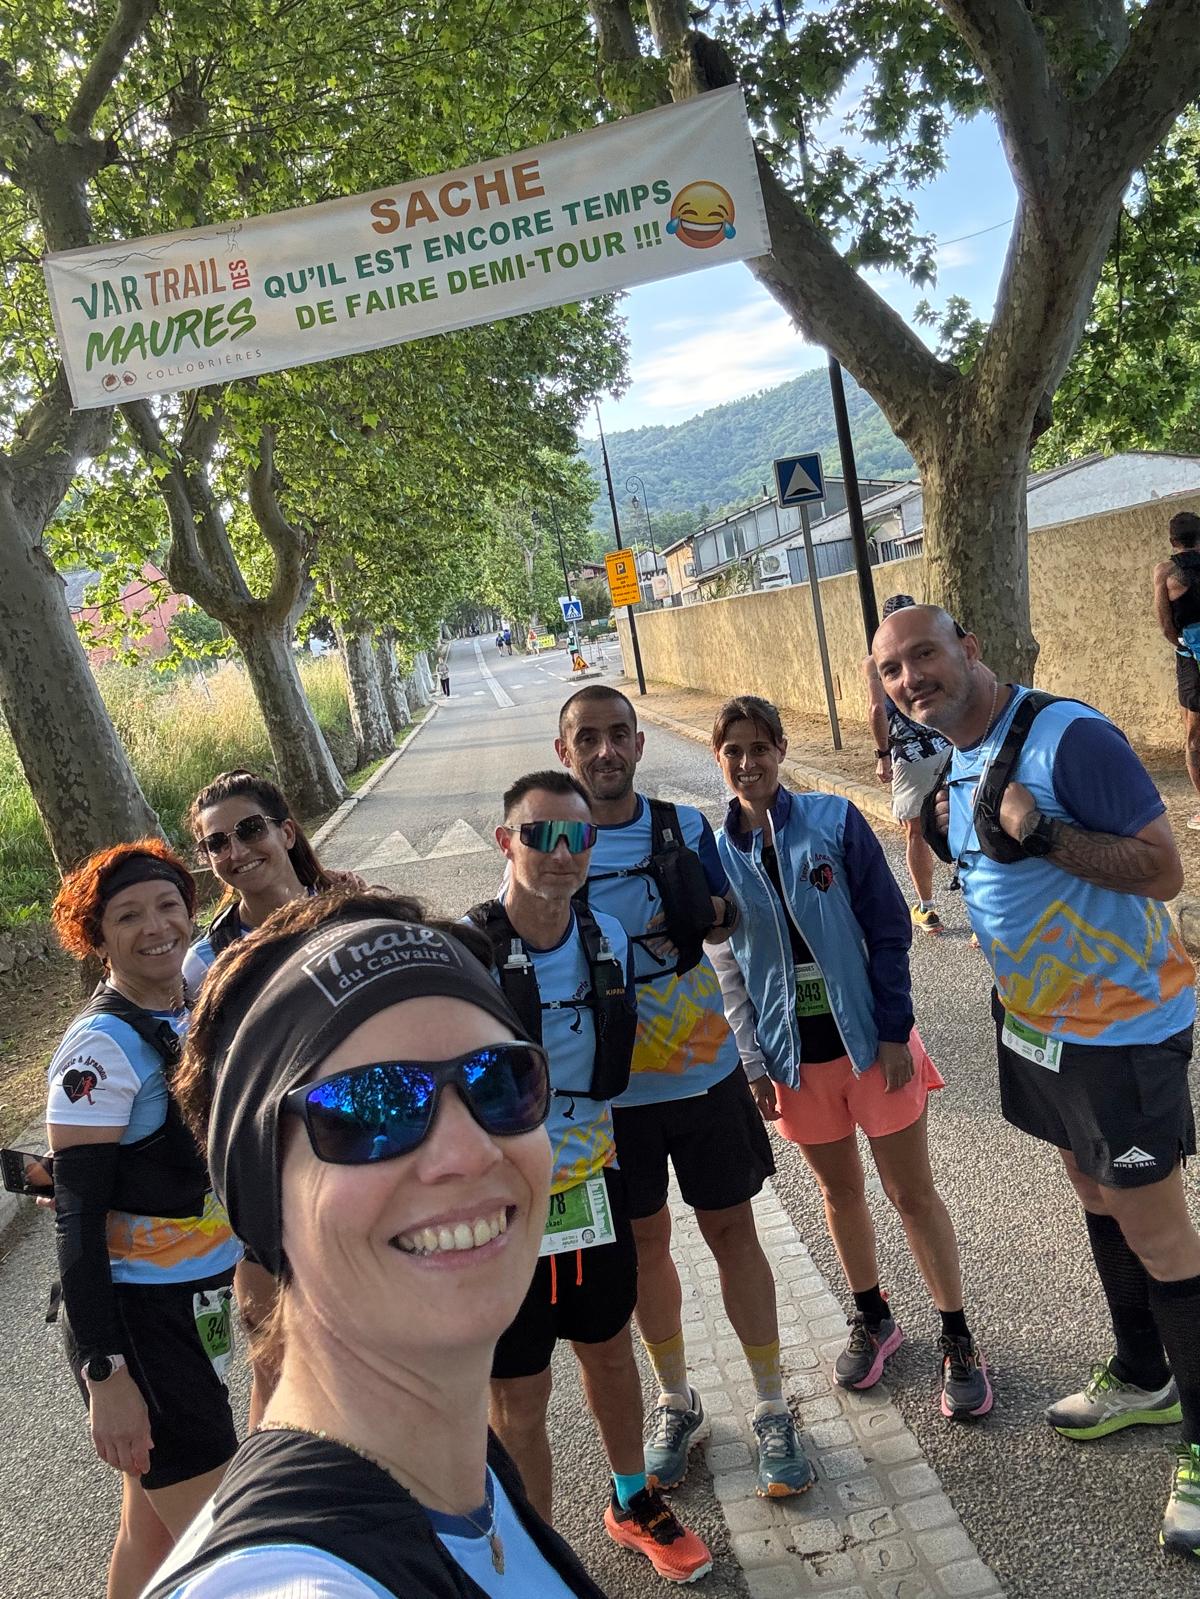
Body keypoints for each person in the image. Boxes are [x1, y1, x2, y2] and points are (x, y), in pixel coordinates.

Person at [150, 890, 611, 1599]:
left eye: (500, 1081)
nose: (468, 1151)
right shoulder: (283, 1583)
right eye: (373, 1107)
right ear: (262, 1191)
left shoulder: (458, 1473)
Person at [873, 603, 1200, 1562]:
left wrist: (1044, 832)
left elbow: (1164, 872)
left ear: (970, 649)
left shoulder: (1070, 737)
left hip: (1122, 1029)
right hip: (1040, 1028)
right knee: (1093, 1189)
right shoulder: (955, 752)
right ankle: (1143, 1372)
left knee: (1159, 1228)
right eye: (891, 669)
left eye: (925, 654)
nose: (910, 678)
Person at [555, 685, 813, 1499]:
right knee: (642, 1247)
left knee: (734, 1230)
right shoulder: (554, 837)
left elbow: (732, 922)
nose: (604, 751)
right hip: (612, 1091)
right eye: (587, 738)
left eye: (617, 735)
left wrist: (713, 908)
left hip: (703, 1072)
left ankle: (772, 1405)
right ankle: (676, 1401)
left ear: (639, 743)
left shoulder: (682, 826)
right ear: (565, 751)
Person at [707, 695, 991, 1418]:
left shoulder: (833, 820)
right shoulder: (717, 855)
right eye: (734, 751)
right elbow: (727, 967)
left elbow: (889, 927)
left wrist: (895, 1032)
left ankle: (957, 1336)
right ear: (719, 759)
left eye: (759, 747)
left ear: (780, 749)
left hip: (872, 1047)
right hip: (794, 1060)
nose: (748, 763)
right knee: (839, 1194)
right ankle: (874, 1317)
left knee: (911, 1193)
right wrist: (752, 1062)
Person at [471, 771, 711, 1582]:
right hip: (501, 1208)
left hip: (592, 1185)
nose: (563, 852)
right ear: (506, 841)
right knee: (520, 1391)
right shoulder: (467, 949)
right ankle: (532, 1553)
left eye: (578, 836)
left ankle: (633, 1498)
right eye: (541, 834)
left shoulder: (602, 929)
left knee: (609, 1353)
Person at [46, 841, 241, 1599]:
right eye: (128, 916)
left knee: (152, 1530)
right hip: (138, 1326)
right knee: (223, 1546)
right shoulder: (101, 1048)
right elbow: (75, 1220)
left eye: (168, 905)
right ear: (97, 939)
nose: (156, 926)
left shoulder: (185, 1007)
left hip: (189, 1305)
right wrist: (107, 1374)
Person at [183, 768, 360, 1426]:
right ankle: (280, 1482)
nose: (235, 851)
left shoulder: (354, 912)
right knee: (276, 1363)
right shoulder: (202, 965)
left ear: (286, 831)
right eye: (216, 842)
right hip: (269, 1180)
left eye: (250, 829)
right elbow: (201, 1088)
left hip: (368, 1154)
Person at [863, 592, 952, 932]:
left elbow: (876, 709)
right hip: (946, 743)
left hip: (910, 754)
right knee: (962, 818)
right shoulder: (931, 646)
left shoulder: (876, 660)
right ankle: (979, 911)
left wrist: (883, 754)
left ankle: (927, 909)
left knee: (916, 831)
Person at [1152, 510, 1200, 828]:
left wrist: (1183, 647)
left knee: (1194, 737)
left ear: (1173, 541)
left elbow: (1165, 624)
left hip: (1190, 657)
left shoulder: (1166, 572)